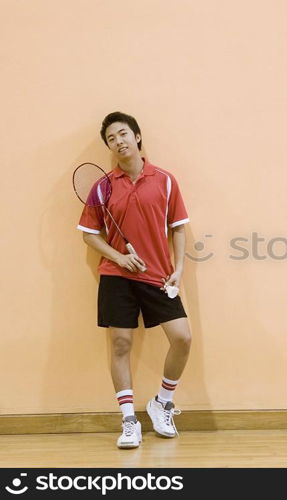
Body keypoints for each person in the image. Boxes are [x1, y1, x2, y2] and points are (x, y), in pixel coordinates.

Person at [77, 111, 192, 449]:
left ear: (138, 137)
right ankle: (129, 420)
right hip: (116, 276)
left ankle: (161, 403)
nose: (119, 142)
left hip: (157, 274)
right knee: (121, 344)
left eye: (123, 134)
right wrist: (119, 257)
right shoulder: (103, 187)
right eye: (112, 139)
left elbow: (178, 227)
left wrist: (179, 268)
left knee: (182, 338)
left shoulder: (166, 180)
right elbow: (88, 235)